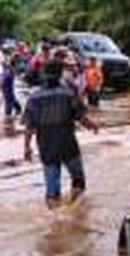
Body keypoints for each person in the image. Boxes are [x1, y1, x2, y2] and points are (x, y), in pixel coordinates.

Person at [23, 59, 99, 209]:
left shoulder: (34, 98)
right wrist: (92, 126)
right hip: (68, 145)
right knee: (78, 182)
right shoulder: (68, 94)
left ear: (44, 74)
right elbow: (81, 118)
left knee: (52, 191)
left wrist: (26, 147)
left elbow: (29, 126)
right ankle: (74, 211)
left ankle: (56, 220)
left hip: (46, 147)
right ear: (60, 74)